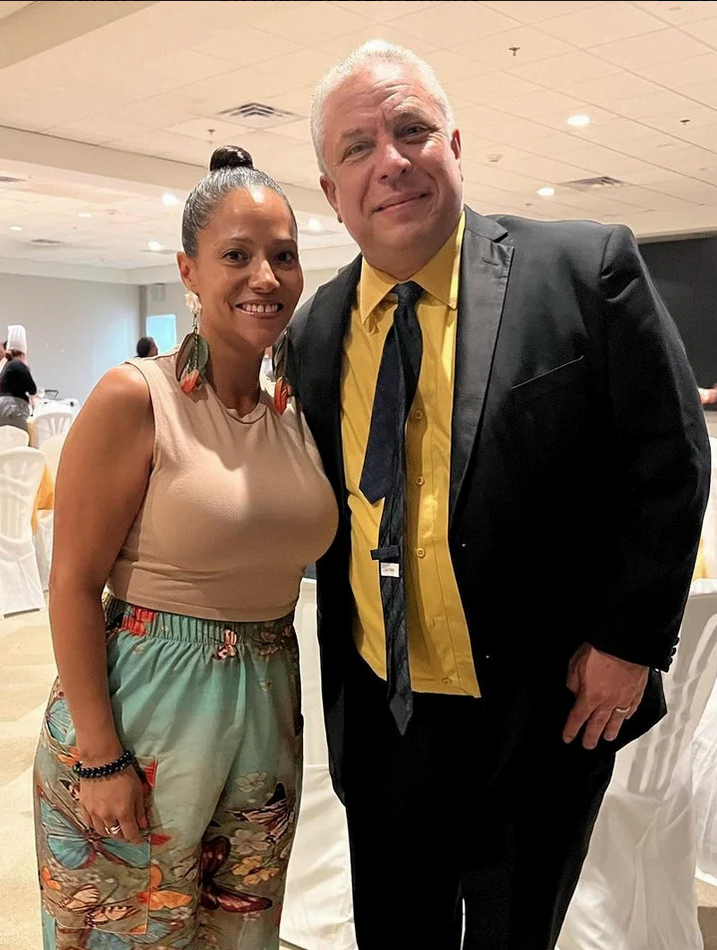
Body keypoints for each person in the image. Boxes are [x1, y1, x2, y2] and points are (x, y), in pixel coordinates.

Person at [286, 42, 711, 950]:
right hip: (384, 713)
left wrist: (631, 641)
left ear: (454, 144)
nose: (391, 161)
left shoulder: (585, 270)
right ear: (331, 192)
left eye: (412, 130)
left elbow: (669, 460)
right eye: (358, 147)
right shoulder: (317, 328)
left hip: (539, 711)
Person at [33, 145, 337, 950]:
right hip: (145, 707)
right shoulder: (136, 397)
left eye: (283, 256)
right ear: (188, 271)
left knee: (240, 932)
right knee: (131, 929)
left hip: (267, 703)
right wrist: (99, 756)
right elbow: (72, 584)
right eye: (236, 255)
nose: (264, 276)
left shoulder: (294, 413)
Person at [0, 325, 36, 432]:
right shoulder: (18, 365)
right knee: (20, 439)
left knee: (4, 439)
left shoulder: (7, 365)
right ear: (22, 353)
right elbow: (32, 389)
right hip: (13, 408)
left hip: (2, 407)